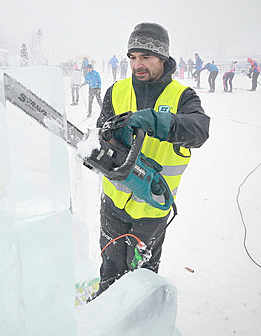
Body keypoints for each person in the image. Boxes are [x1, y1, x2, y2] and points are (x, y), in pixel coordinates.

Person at [90, 22, 210, 300]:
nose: (136, 64)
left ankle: (138, 319)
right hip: (113, 200)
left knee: (141, 273)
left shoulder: (183, 96)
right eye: (132, 57)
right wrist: (101, 151)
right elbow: (100, 133)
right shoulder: (116, 91)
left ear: (163, 58)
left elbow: (200, 130)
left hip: (152, 204)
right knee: (110, 264)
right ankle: (106, 306)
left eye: (145, 56)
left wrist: (158, 121)